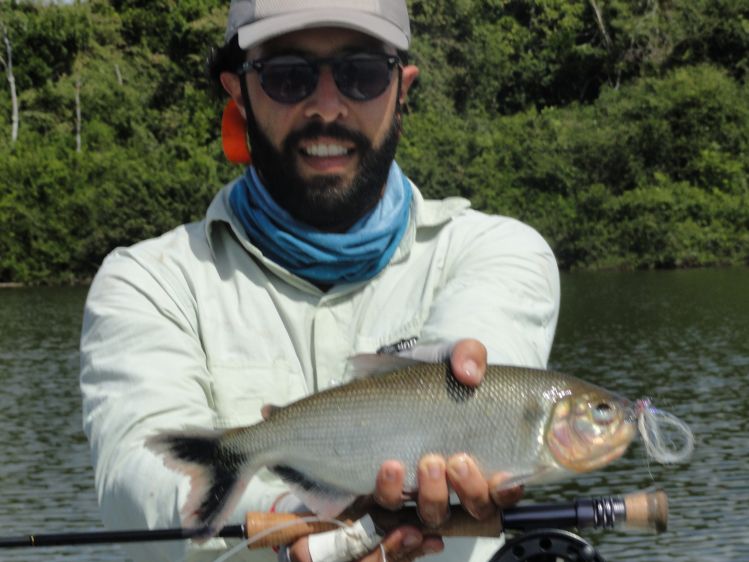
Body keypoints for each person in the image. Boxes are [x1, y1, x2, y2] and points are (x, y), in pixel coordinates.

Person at [79, 1, 560, 561]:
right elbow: (137, 486)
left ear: (402, 89)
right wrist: (294, 525)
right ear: (239, 93)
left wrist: (451, 369)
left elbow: (486, 357)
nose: (327, 107)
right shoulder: (145, 283)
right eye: (288, 76)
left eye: (362, 75)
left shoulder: (500, 250)